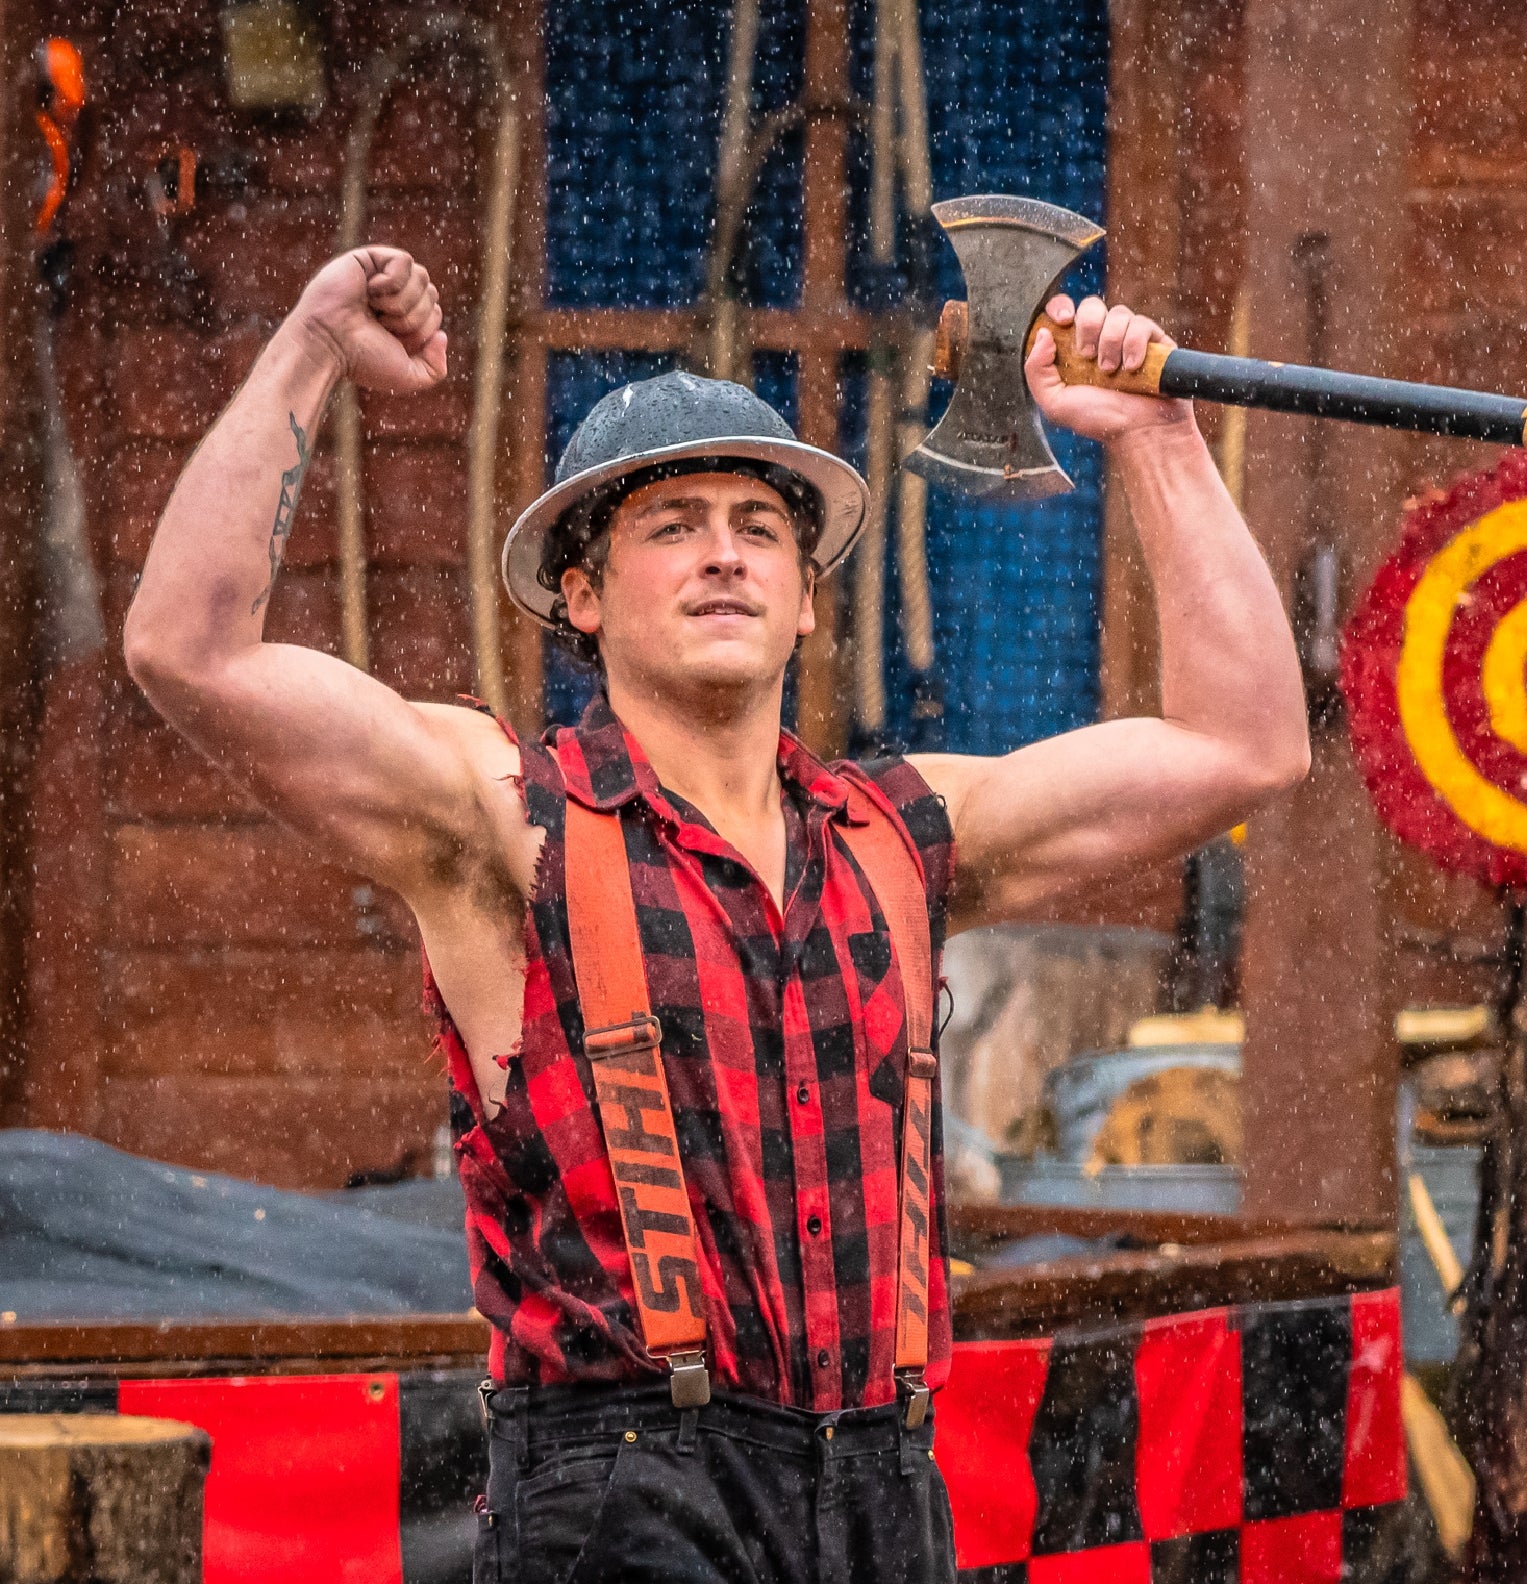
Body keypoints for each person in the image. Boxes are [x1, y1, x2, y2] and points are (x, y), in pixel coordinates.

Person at [124, 245, 1310, 1584]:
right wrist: (314, 337)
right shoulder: (500, 819)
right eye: (670, 525)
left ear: (809, 601)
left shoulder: (906, 835)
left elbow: (1245, 743)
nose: (723, 556)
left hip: (882, 1488)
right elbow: (189, 648)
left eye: (760, 528)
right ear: (580, 596)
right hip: (622, 1490)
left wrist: (1160, 438)